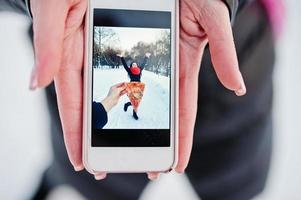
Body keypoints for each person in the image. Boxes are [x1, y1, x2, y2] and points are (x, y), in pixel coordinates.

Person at [0, 0, 283, 199]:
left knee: (235, 184)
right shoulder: (131, 70)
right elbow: (130, 67)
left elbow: (140, 67)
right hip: (81, 47)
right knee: (86, 175)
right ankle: (57, 180)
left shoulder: (139, 70)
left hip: (237, 58)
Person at [117, 52, 151, 120]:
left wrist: (146, 57)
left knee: (137, 100)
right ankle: (133, 112)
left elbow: (143, 63)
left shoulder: (140, 69)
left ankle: (131, 108)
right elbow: (125, 65)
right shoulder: (129, 70)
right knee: (133, 99)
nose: (134, 65)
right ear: (131, 66)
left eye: (135, 64)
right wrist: (121, 57)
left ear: (137, 65)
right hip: (131, 87)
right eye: (133, 64)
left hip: (139, 87)